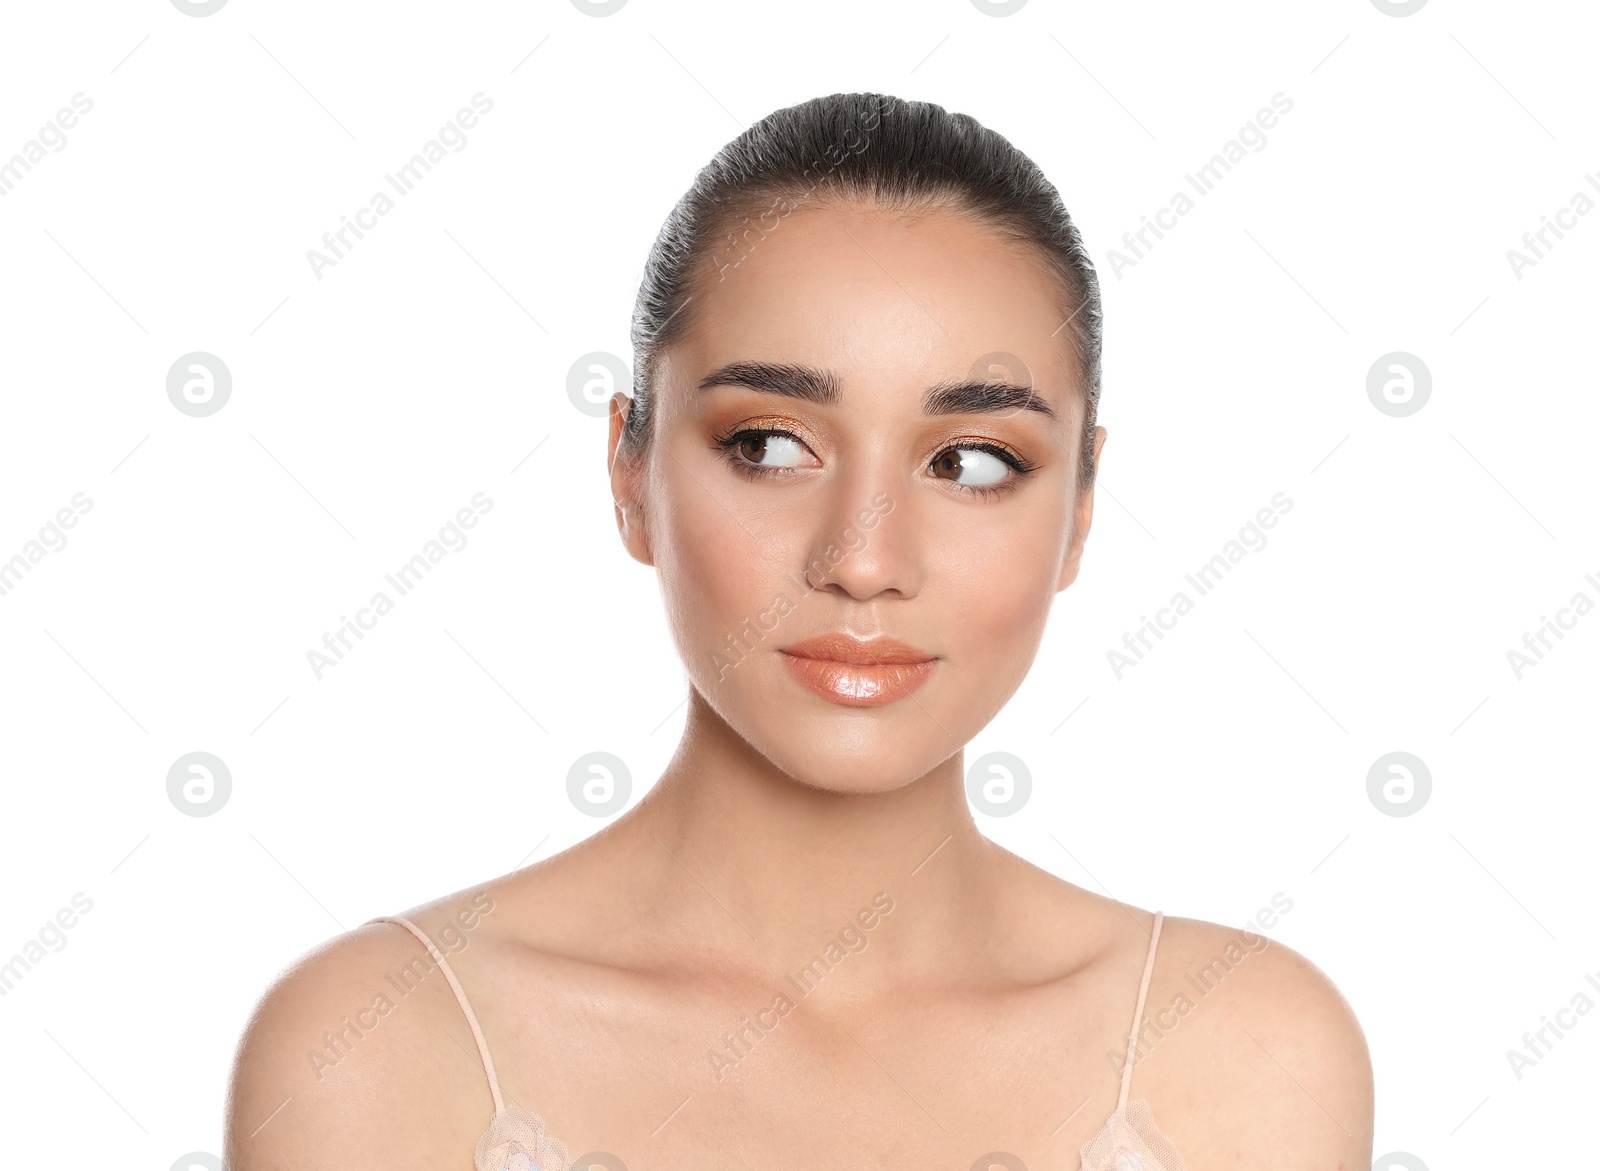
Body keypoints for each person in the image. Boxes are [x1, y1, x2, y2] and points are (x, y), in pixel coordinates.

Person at [226, 91, 1373, 1170]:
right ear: (628, 473)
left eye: (972, 462)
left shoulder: (1241, 1052)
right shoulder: (381, 1045)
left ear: (1078, 507)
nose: (863, 561)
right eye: (770, 445)